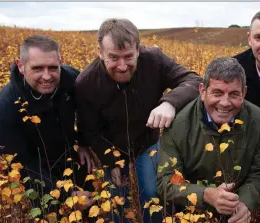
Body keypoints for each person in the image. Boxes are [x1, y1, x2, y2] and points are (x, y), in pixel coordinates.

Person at [75, 18, 202, 222]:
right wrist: (111, 160)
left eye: (128, 56)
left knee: (153, 194)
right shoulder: (86, 83)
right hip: (111, 146)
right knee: (116, 201)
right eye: (113, 57)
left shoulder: (155, 60)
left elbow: (194, 81)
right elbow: (89, 130)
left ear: (139, 49)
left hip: (147, 142)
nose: (122, 66)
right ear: (100, 53)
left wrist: (169, 103)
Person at [157, 56, 260, 223]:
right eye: (217, 93)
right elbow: (166, 182)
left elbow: (259, 174)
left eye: (234, 94)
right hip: (190, 213)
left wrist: (245, 203)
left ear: (244, 93)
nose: (225, 103)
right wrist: (206, 195)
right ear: (203, 91)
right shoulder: (177, 125)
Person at [0, 35, 85, 195]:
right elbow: (21, 165)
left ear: (60, 62)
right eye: (37, 68)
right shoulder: (5, 108)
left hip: (72, 160)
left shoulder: (72, 79)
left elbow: (88, 110)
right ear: (21, 66)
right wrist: (65, 196)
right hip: (38, 177)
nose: (47, 76)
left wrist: (85, 143)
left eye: (53, 68)